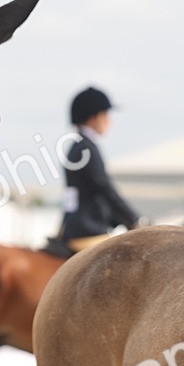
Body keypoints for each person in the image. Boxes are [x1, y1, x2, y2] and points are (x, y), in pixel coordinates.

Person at [59, 86, 142, 251]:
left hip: (76, 224)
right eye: (105, 115)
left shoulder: (78, 145)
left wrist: (121, 221)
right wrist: (134, 220)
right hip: (88, 228)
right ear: (92, 118)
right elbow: (105, 189)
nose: (109, 121)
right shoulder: (86, 149)